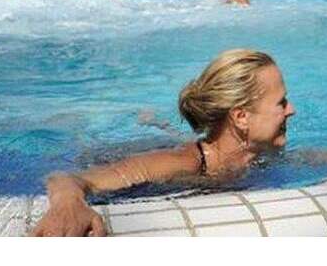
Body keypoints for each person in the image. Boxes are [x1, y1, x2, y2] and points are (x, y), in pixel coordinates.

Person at [31, 49, 295, 236]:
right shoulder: (179, 165)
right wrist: (68, 204)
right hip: (112, 155)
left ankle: (155, 121)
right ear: (240, 117)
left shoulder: (258, 154)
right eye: (281, 102)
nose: (291, 110)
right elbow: (68, 178)